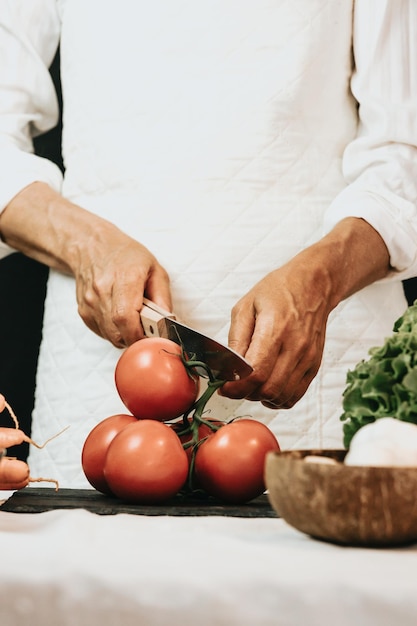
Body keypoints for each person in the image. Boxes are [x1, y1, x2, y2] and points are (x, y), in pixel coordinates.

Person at [0, 0, 416, 488]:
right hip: (103, 379)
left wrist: (321, 282)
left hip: (320, 360)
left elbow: (405, 151)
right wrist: (85, 244)